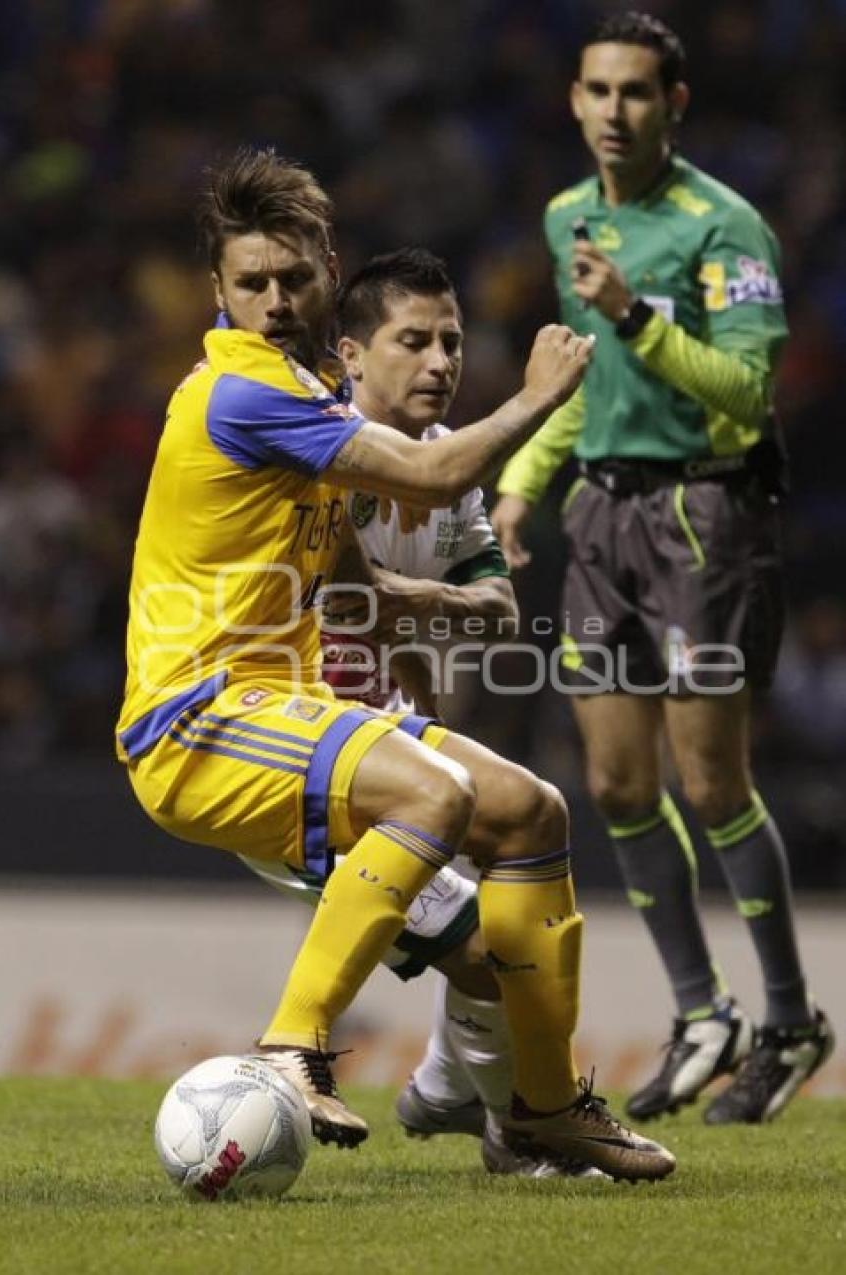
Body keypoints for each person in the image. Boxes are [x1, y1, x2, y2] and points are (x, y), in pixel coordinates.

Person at [115, 147, 674, 1181]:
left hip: (285, 704)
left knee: (530, 810)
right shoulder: (240, 394)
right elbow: (432, 466)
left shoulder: (314, 392)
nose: (276, 301)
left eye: (293, 278)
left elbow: (353, 579)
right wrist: (538, 394)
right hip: (195, 717)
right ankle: (292, 1047)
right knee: (438, 793)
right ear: (219, 292)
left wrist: (407, 660)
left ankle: (542, 1112)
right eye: (253, 284)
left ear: (327, 267)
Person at [492, 11, 833, 1125]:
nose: (612, 111)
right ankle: (702, 1013)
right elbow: (582, 377)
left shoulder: (722, 230)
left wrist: (635, 312)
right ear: (574, 100)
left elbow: (745, 391)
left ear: (672, 104)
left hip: (702, 515)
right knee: (616, 786)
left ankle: (787, 1017)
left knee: (711, 781)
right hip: (602, 515)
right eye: (596, 90)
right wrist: (522, 483)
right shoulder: (566, 218)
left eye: (636, 92)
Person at [245, 245, 595, 1179]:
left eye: (452, 341)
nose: (442, 361)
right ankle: (508, 1131)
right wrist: (406, 604)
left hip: (393, 746)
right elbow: (343, 600)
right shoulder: (305, 446)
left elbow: (499, 606)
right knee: (487, 954)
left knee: (529, 853)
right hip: (291, 753)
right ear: (352, 354)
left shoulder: (453, 465)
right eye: (414, 341)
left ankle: (452, 1082)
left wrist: (408, 599)